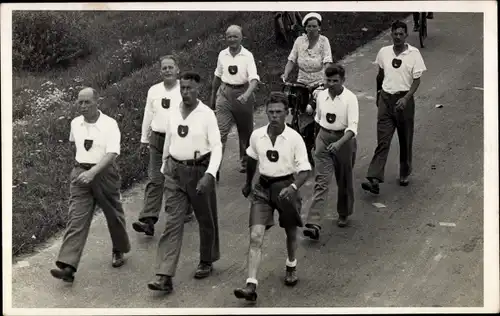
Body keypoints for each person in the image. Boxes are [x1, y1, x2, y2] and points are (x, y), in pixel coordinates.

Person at [147, 71, 223, 293]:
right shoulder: (173, 113)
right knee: (173, 222)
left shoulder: (206, 114)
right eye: (183, 88)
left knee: (205, 218)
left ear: (198, 89)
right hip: (175, 172)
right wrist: (164, 166)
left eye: (190, 88)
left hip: (199, 171)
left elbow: (217, 146)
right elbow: (169, 141)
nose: (186, 92)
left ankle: (207, 259)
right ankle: (164, 275)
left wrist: (210, 174)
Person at [234, 92, 311, 301]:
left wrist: (294, 187)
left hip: (287, 187)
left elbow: (305, 170)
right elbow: (251, 159)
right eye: (271, 112)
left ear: (286, 113)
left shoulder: (295, 138)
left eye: (279, 112)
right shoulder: (257, 135)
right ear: (266, 112)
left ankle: (291, 264)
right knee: (256, 235)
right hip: (262, 188)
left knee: (290, 231)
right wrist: (248, 183)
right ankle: (251, 284)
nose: (274, 116)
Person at [50, 87, 131, 283]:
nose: (83, 106)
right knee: (76, 219)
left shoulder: (109, 124)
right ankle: (68, 266)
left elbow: (112, 153)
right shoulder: (75, 123)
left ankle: (119, 249)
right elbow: (74, 144)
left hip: (104, 173)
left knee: (113, 215)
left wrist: (93, 172)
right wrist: (81, 169)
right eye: (80, 102)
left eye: (87, 102)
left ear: (97, 102)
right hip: (80, 174)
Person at [361, 20, 426, 195]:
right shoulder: (384, 52)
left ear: (406, 35)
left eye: (401, 34)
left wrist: (406, 98)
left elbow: (417, 80)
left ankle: (405, 171)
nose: (397, 37)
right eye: (395, 34)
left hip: (404, 101)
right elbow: (380, 76)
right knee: (383, 141)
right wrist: (378, 94)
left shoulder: (414, 54)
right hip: (386, 99)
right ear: (391, 34)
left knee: (405, 139)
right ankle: (374, 178)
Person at [133, 55, 193, 237]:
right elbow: (148, 114)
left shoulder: (184, 90)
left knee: (179, 177)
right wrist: (144, 139)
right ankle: (148, 220)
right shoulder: (154, 91)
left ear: (177, 70)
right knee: (155, 179)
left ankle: (187, 209)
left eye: (170, 67)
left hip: (178, 139)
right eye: (164, 68)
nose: (167, 70)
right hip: (157, 139)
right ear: (160, 71)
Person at [302, 64, 359, 239]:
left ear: (343, 80)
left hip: (344, 140)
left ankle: (344, 211)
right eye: (328, 80)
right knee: (321, 180)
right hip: (324, 137)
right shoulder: (321, 96)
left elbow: (352, 128)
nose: (331, 84)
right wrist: (316, 141)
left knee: (344, 178)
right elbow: (318, 120)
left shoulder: (350, 99)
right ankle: (313, 222)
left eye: (335, 81)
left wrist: (340, 143)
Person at [281, 12, 334, 165]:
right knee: (297, 110)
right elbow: (291, 59)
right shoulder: (299, 41)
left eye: (314, 26)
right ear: (305, 28)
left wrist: (326, 79)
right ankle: (301, 144)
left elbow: (327, 62)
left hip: (319, 81)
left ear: (319, 28)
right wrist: (285, 74)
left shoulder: (324, 42)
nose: (311, 29)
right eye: (309, 26)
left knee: (316, 110)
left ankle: (321, 142)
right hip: (302, 81)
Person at [210, 25, 260, 179]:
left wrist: (247, 94)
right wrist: (213, 97)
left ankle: (245, 162)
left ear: (241, 38)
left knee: (245, 132)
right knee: (220, 132)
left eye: (235, 37)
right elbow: (217, 76)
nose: (232, 40)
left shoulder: (247, 56)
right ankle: (214, 167)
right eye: (229, 36)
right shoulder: (222, 55)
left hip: (242, 94)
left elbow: (254, 79)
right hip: (224, 94)